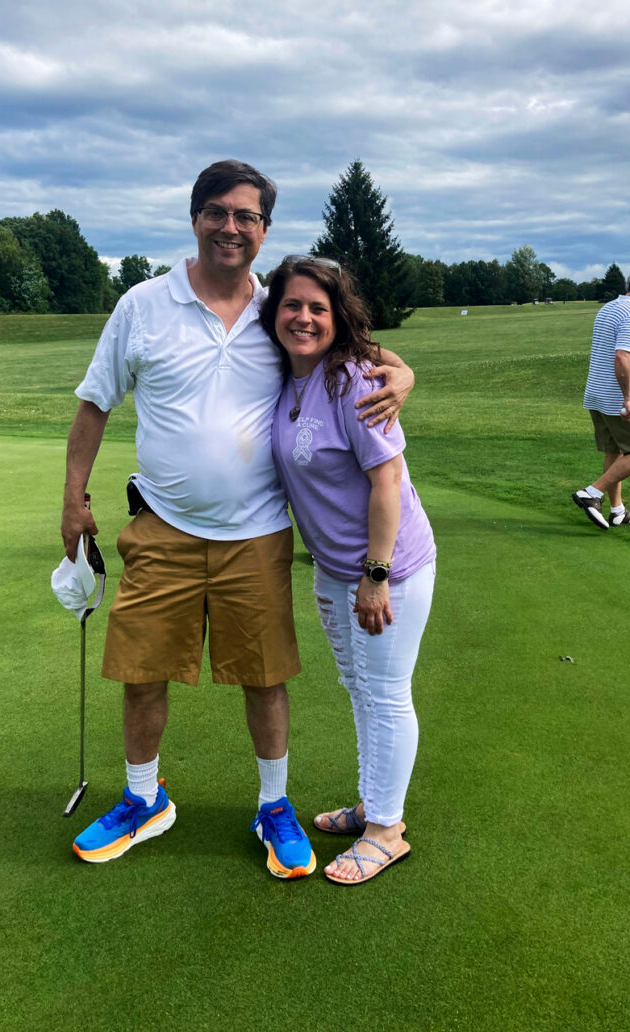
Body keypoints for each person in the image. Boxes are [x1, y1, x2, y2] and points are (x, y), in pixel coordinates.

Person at [59, 160, 415, 879]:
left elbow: (356, 351)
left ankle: (274, 805)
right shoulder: (141, 305)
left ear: (264, 230)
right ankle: (142, 797)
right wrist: (73, 496)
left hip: (255, 532)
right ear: (195, 218)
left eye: (247, 217)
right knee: (143, 671)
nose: (231, 227)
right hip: (162, 525)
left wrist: (404, 373)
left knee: (264, 676)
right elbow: (95, 403)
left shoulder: (278, 308)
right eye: (218, 212)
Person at [261, 256, 436, 885]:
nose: (304, 317)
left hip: (389, 566)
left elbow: (386, 481)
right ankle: (373, 802)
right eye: (292, 305)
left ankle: (387, 830)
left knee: (386, 692)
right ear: (273, 311)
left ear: (338, 318)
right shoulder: (285, 374)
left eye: (318, 308)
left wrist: (376, 573)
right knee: (359, 689)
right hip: (333, 569)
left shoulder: (357, 381)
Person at [572, 264, 630, 529]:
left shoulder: (610, 307)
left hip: (596, 395)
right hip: (618, 398)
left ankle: (617, 510)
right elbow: (622, 356)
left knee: (615, 450)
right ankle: (592, 493)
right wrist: (628, 399)